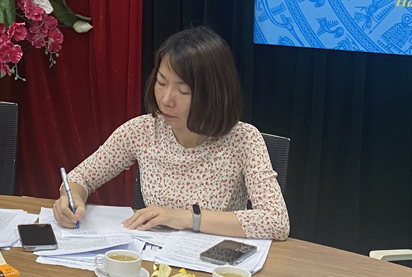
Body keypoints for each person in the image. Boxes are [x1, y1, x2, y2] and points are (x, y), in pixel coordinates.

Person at [53, 26, 290, 240]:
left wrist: (186, 218)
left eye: (183, 91)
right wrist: (70, 200)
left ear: (213, 94)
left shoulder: (243, 139)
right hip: (154, 258)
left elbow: (276, 221)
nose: (166, 99)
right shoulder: (142, 130)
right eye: (161, 83)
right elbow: (80, 178)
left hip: (213, 261)